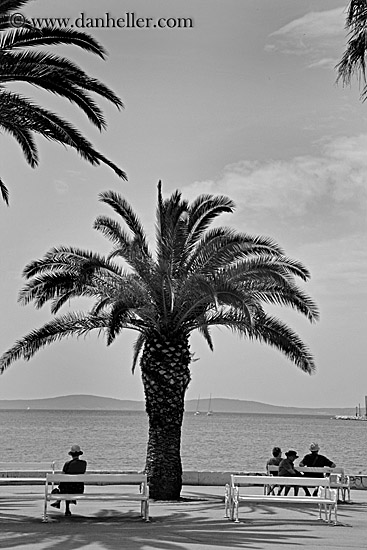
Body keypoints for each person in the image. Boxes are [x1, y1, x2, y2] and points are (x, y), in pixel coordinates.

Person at [51, 444, 87, 516]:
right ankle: (65, 507)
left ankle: (59, 502)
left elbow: (63, 476)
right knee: (68, 486)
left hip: (67, 488)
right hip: (79, 489)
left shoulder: (68, 464)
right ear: (79, 454)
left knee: (65, 487)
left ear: (71, 455)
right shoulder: (84, 463)